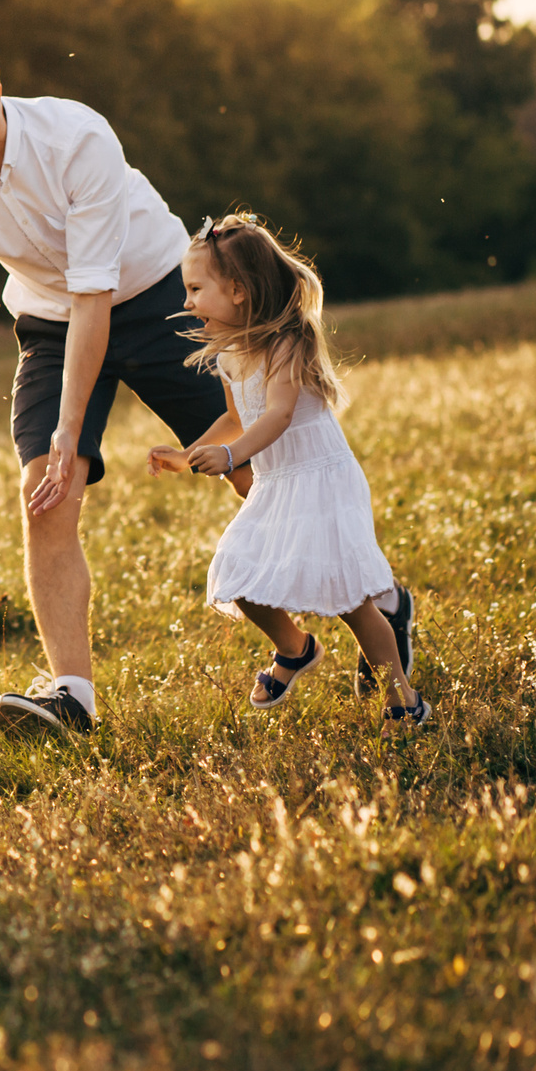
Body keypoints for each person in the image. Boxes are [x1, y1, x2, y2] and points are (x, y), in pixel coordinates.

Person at [0, 28, 261, 738]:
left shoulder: (77, 138)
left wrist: (70, 427)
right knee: (44, 495)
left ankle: (372, 602)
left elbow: (98, 295)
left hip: (155, 296)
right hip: (54, 322)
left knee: (255, 466)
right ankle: (72, 698)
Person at [148, 215, 427, 721]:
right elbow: (235, 417)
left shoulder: (287, 343)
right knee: (236, 574)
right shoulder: (230, 354)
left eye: (194, 289)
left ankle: (402, 701)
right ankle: (296, 649)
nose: (186, 302)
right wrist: (186, 453)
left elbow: (277, 414)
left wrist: (232, 457)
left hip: (321, 479)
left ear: (237, 290)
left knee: (350, 601)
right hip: (278, 484)